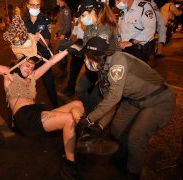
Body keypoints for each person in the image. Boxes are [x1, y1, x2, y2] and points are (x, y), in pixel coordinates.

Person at [0, 32, 85, 179]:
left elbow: (51, 62)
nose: (29, 70)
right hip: (25, 118)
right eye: (27, 65)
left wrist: (69, 49)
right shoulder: (9, 75)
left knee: (78, 105)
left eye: (32, 67)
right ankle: (70, 167)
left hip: (36, 113)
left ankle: (73, 141)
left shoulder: (33, 77)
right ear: (20, 63)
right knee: (68, 119)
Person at [72, 36, 175, 179]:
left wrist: (88, 120)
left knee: (136, 138)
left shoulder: (117, 62)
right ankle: (125, 159)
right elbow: (110, 102)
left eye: (85, 56)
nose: (84, 60)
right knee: (116, 129)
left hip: (158, 100)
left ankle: (133, 173)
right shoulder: (103, 69)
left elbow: (114, 97)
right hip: (135, 100)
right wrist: (100, 126)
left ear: (94, 56)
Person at [73, 0, 119, 131]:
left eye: (83, 15)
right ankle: (90, 115)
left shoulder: (105, 28)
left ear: (93, 12)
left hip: (108, 69)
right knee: (80, 89)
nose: (82, 19)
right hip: (94, 67)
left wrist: (84, 53)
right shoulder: (90, 27)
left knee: (104, 98)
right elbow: (87, 47)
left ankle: (97, 125)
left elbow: (97, 53)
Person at [23, 0, 59, 108]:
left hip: (43, 58)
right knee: (27, 85)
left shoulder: (45, 20)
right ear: (28, 5)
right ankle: (29, 109)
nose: (35, 7)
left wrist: (39, 39)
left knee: (49, 84)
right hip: (28, 59)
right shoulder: (23, 21)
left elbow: (47, 43)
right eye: (32, 5)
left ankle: (56, 107)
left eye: (37, 5)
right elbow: (19, 41)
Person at [61, 16, 85, 97]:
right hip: (78, 44)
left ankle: (88, 94)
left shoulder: (90, 18)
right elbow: (75, 31)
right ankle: (70, 88)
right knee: (73, 70)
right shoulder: (78, 17)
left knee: (90, 73)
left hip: (86, 45)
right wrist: (71, 41)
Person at [54, 0, 72, 79]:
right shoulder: (61, 10)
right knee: (60, 53)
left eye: (59, 2)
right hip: (61, 35)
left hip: (64, 36)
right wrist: (57, 34)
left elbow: (68, 24)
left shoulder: (66, 10)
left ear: (64, 1)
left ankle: (64, 71)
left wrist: (64, 34)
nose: (58, 3)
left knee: (59, 53)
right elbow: (60, 24)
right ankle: (63, 70)